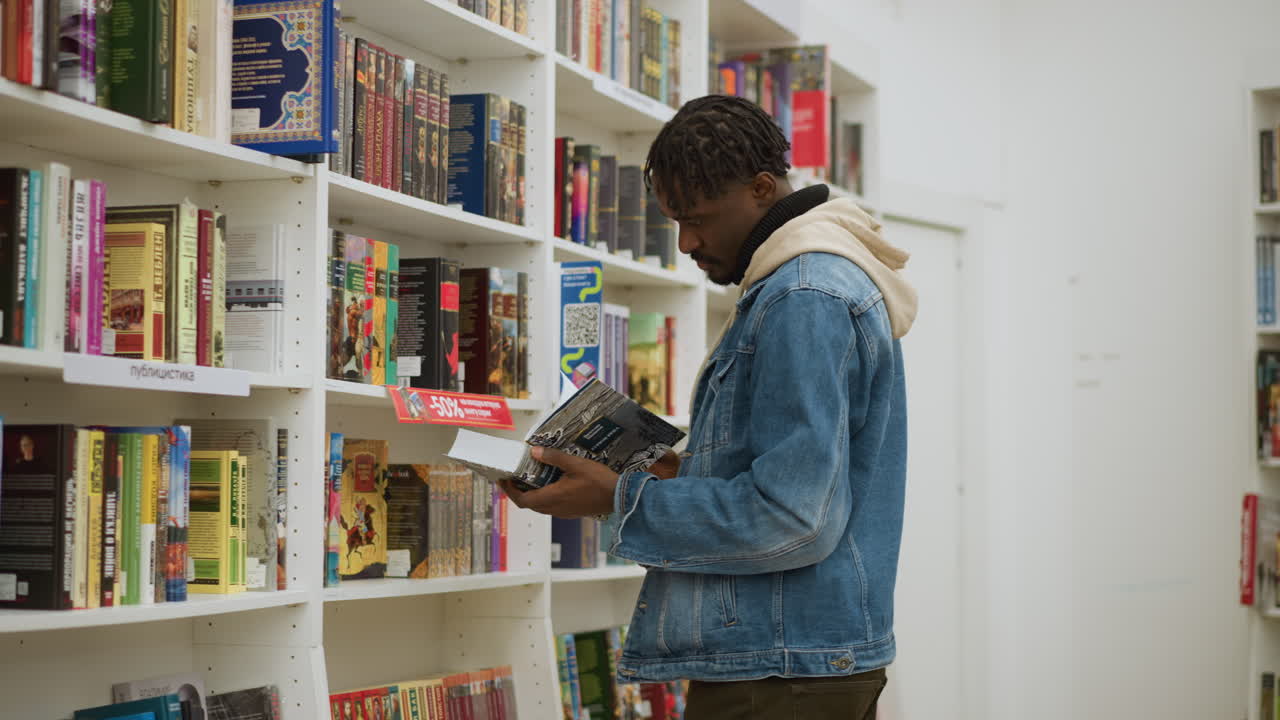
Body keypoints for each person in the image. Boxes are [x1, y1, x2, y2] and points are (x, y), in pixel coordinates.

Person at [500, 95, 916, 720]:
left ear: (761, 188)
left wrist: (620, 497)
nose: (687, 241)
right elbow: (792, 481)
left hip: (780, 667)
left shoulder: (802, 295)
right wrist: (663, 471)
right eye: (674, 219)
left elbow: (794, 516)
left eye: (699, 218)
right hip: (794, 657)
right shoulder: (803, 284)